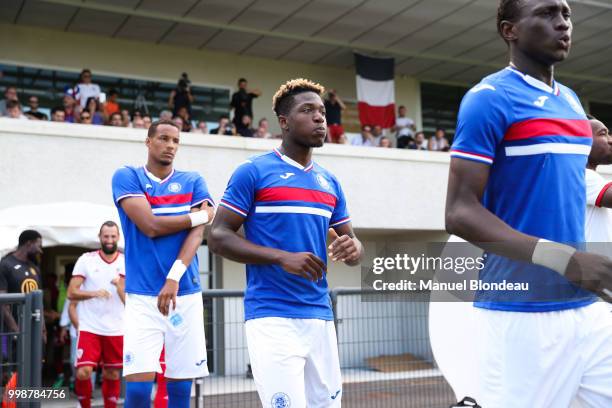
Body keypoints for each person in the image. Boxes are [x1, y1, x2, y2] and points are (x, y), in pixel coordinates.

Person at [445, 1, 612, 406]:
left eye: (567, 14)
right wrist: (565, 259)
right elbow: (459, 212)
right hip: (520, 314)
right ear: (510, 30)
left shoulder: (572, 102)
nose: (563, 23)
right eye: (548, 13)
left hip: (587, 309)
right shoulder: (487, 98)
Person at [209, 78, 364, 407]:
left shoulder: (329, 181)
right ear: (284, 122)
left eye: (321, 111)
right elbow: (218, 236)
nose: (319, 117)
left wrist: (355, 248)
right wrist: (281, 257)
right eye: (307, 111)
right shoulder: (253, 171)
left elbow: (352, 245)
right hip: (272, 316)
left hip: (321, 316)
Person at [111, 119, 215, 408]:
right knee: (139, 392)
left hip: (185, 294)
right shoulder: (127, 176)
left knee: (180, 392)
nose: (170, 146)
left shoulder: (193, 180)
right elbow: (150, 226)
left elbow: (197, 236)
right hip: (142, 296)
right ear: (148, 141)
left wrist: (174, 277)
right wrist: (199, 216)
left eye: (176, 141)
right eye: (164, 138)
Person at [67, 221, 125, 408]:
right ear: (100, 237)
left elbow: (130, 303)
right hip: (90, 327)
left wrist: (119, 287)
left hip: (117, 328)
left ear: (118, 238)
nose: (109, 240)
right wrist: (94, 293)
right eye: (106, 236)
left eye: (113, 236)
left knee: (112, 374)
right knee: (83, 372)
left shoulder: (126, 261)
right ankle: (85, 405)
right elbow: (71, 292)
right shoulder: (86, 259)